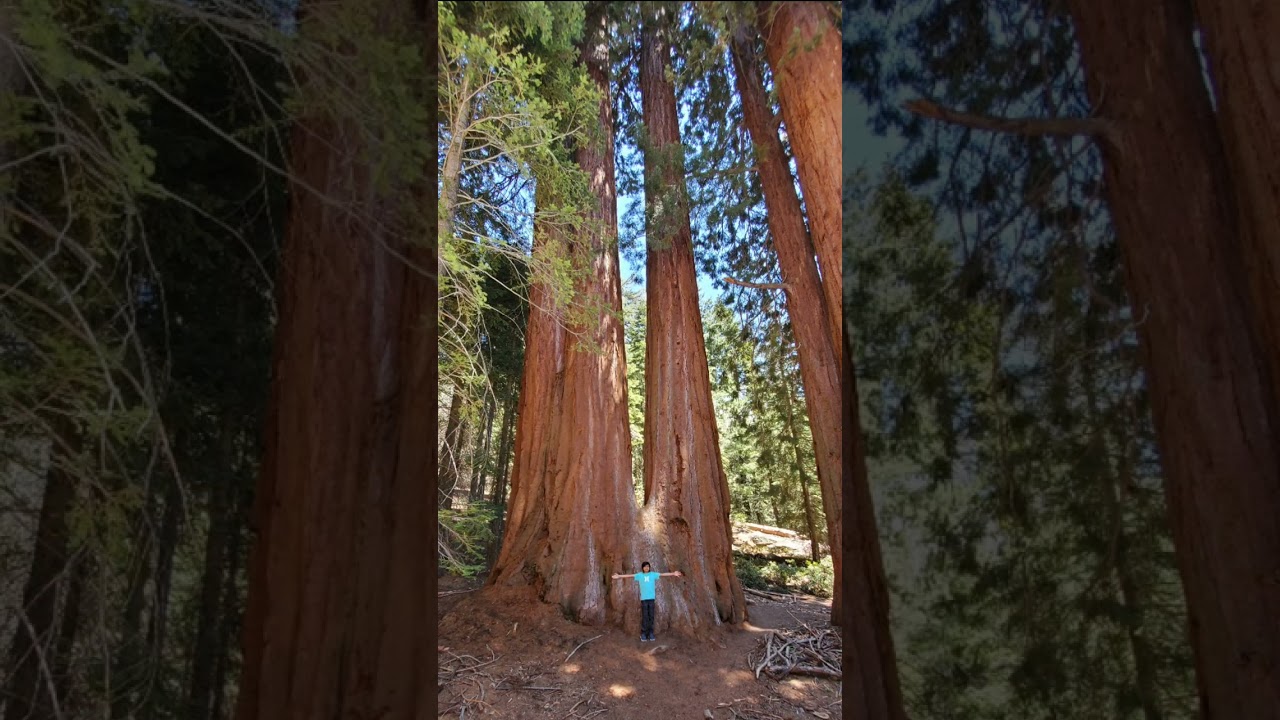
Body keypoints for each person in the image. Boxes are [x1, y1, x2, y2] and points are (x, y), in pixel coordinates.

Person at [612, 562, 683, 642]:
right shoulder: (640, 575)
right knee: (645, 616)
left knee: (651, 616)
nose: (646, 568)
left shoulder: (653, 574)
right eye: (645, 567)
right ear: (642, 568)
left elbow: (662, 574)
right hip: (644, 599)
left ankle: (651, 633)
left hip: (651, 599)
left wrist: (673, 573)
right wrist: (619, 576)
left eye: (648, 567)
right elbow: (630, 576)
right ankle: (643, 634)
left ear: (649, 567)